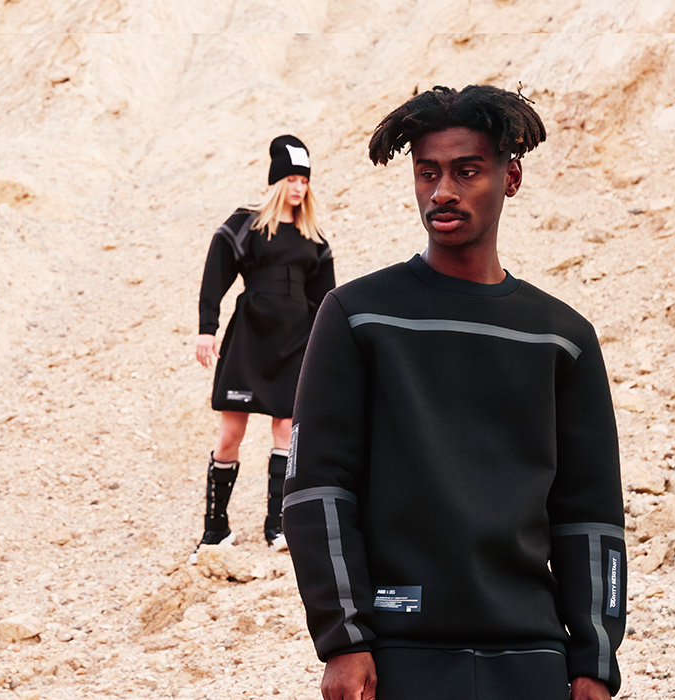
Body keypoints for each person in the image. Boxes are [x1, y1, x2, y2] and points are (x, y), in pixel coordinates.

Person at [282, 85, 626, 700]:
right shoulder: (358, 315)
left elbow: (590, 512)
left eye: (467, 171)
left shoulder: (562, 337)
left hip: (531, 658)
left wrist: (595, 661)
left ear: (510, 178)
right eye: (427, 172)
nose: (442, 191)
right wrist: (344, 638)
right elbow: (317, 488)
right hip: (398, 651)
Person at [192, 134, 336, 564]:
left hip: (295, 342)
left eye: (304, 181)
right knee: (230, 434)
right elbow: (215, 276)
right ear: (277, 181)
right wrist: (206, 329)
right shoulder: (245, 223)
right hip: (250, 338)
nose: (299, 188)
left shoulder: (314, 237)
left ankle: (278, 526)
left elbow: (326, 300)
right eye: (292, 179)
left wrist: (329, 348)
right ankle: (215, 529)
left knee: (286, 431)